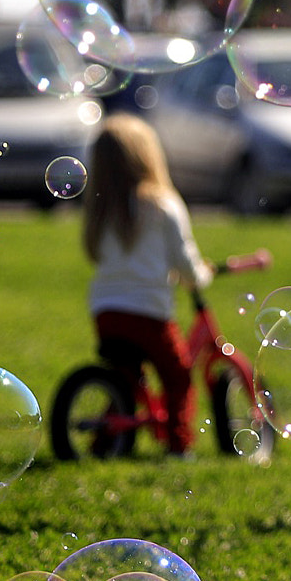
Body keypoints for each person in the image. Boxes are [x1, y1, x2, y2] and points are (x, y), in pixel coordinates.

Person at [81, 113, 212, 456]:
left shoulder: (101, 207)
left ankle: (105, 441)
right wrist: (201, 275)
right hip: (148, 314)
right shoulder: (162, 203)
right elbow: (185, 260)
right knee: (179, 376)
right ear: (147, 155)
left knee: (125, 379)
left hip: (106, 312)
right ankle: (179, 446)